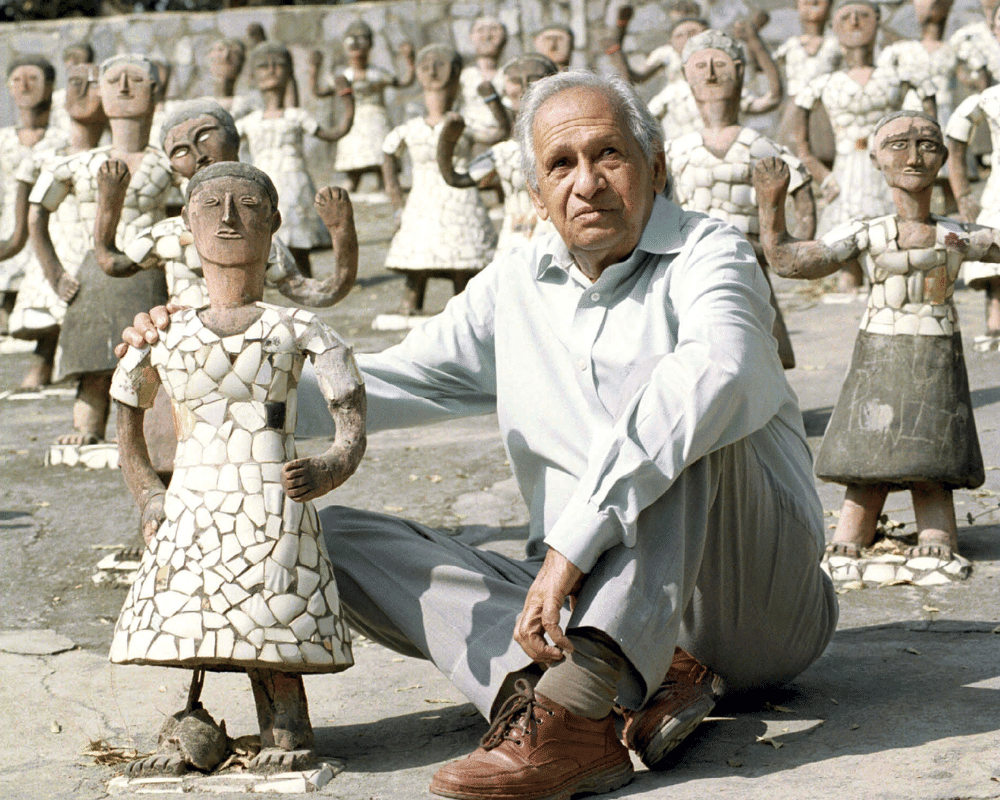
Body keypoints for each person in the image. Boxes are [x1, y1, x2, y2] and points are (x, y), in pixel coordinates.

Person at [121, 70, 838, 800]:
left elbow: (717, 374)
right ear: (535, 196)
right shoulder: (517, 282)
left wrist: (567, 551)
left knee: (675, 411)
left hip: (746, 606)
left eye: (609, 156)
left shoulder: (712, 254)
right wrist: (208, 366)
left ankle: (573, 706)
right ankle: (602, 689)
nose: (586, 183)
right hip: (583, 593)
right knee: (329, 540)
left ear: (655, 166)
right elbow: (392, 381)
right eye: (561, 165)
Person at [110, 162, 365, 778]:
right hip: (195, 495)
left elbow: (350, 422)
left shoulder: (299, 328)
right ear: (186, 223)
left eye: (247, 205)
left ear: (274, 222)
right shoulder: (164, 335)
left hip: (271, 491)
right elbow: (127, 425)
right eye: (212, 205)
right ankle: (190, 720)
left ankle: (285, 720)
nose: (228, 219)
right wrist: (148, 495)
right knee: (189, 610)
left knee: (272, 602)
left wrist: (329, 466)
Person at [755, 111, 992, 565]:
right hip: (878, 350)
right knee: (868, 446)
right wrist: (772, 203)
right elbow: (788, 261)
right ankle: (854, 529)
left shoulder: (954, 235)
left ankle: (937, 532)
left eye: (926, 144)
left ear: (942, 157)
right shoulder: (869, 232)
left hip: (937, 350)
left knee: (934, 448)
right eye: (898, 144)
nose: (914, 156)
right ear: (878, 160)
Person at [665, 29, 814, 370]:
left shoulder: (756, 143)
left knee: (762, 344)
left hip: (749, 260)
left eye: (719, 65)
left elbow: (800, 186)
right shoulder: (677, 150)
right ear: (688, 77)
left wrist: (790, 244)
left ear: (741, 72)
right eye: (700, 66)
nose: (711, 74)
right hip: (693, 263)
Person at [791, 0, 937, 291]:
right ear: (833, 27)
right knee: (847, 237)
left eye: (864, 15)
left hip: (887, 167)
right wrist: (822, 175)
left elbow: (931, 122)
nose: (855, 22)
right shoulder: (825, 82)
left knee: (890, 236)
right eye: (845, 16)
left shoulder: (896, 76)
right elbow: (800, 141)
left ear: (878, 21)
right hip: (846, 167)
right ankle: (851, 280)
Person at [237, 43, 355, 278]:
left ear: (289, 72)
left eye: (279, 65)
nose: (271, 71)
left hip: (294, 181)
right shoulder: (249, 121)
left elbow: (335, 132)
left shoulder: (297, 116)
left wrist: (347, 99)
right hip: (262, 181)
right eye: (263, 66)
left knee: (298, 240)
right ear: (252, 75)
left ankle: (304, 282)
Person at [308, 20, 415, 196]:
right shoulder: (344, 76)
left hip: (376, 119)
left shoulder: (377, 73)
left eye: (362, 39)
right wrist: (314, 70)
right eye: (352, 39)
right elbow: (320, 91)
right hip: (353, 121)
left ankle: (386, 186)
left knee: (384, 161)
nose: (357, 45)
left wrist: (409, 60)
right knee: (353, 168)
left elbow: (404, 82)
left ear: (370, 44)